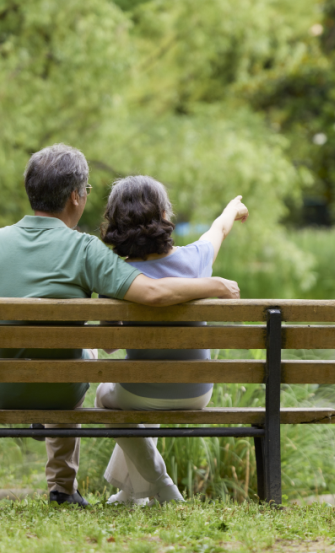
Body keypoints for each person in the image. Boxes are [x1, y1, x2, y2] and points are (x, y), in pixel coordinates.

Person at [0, 145, 240, 508]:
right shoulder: (83, 249)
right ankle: (63, 489)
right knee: (78, 357)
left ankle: (127, 490)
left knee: (82, 358)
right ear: (76, 197)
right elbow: (154, 291)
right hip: (58, 393)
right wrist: (215, 284)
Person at [95, 175, 248, 505]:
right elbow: (218, 229)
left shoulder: (116, 275)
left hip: (140, 393)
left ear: (117, 224)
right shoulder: (198, 258)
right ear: (165, 215)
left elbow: (108, 345)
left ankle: (158, 482)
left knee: (106, 397)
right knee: (138, 397)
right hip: (197, 393)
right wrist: (232, 209)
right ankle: (131, 492)